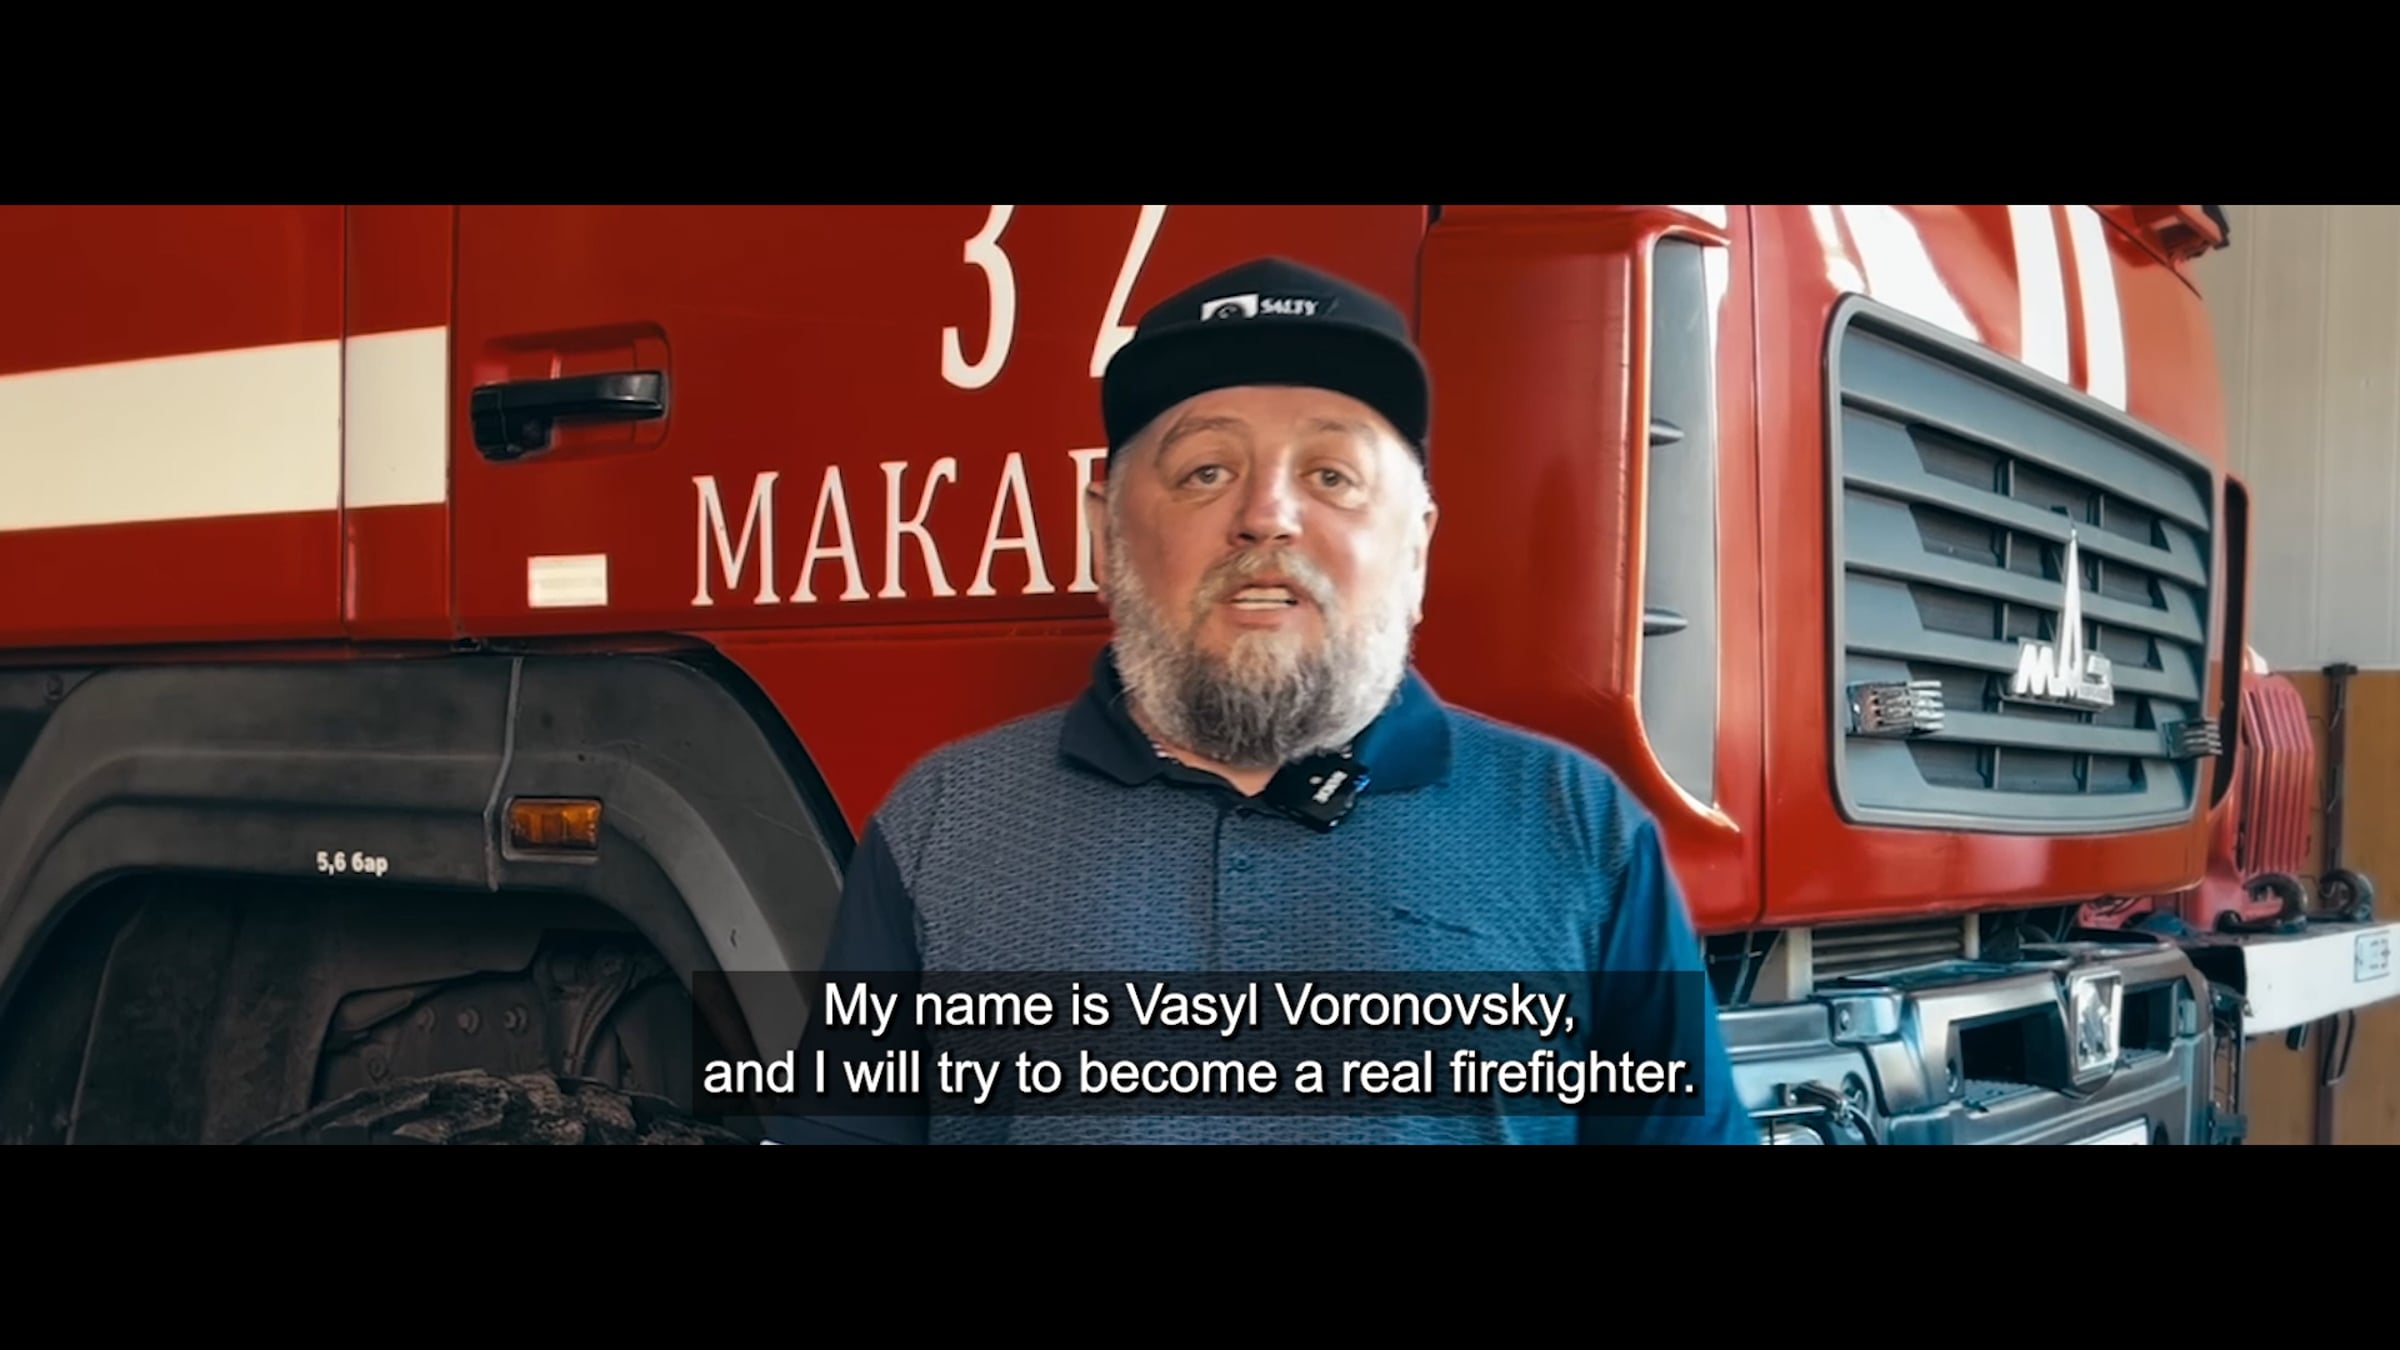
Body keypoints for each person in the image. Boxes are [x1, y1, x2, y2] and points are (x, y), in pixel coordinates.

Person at [762, 255, 1754, 1145]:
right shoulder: (942, 825)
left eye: (1332, 474)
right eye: (1205, 471)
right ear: (1105, 534)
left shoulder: (1582, 833)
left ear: (1416, 546)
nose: (1267, 515)